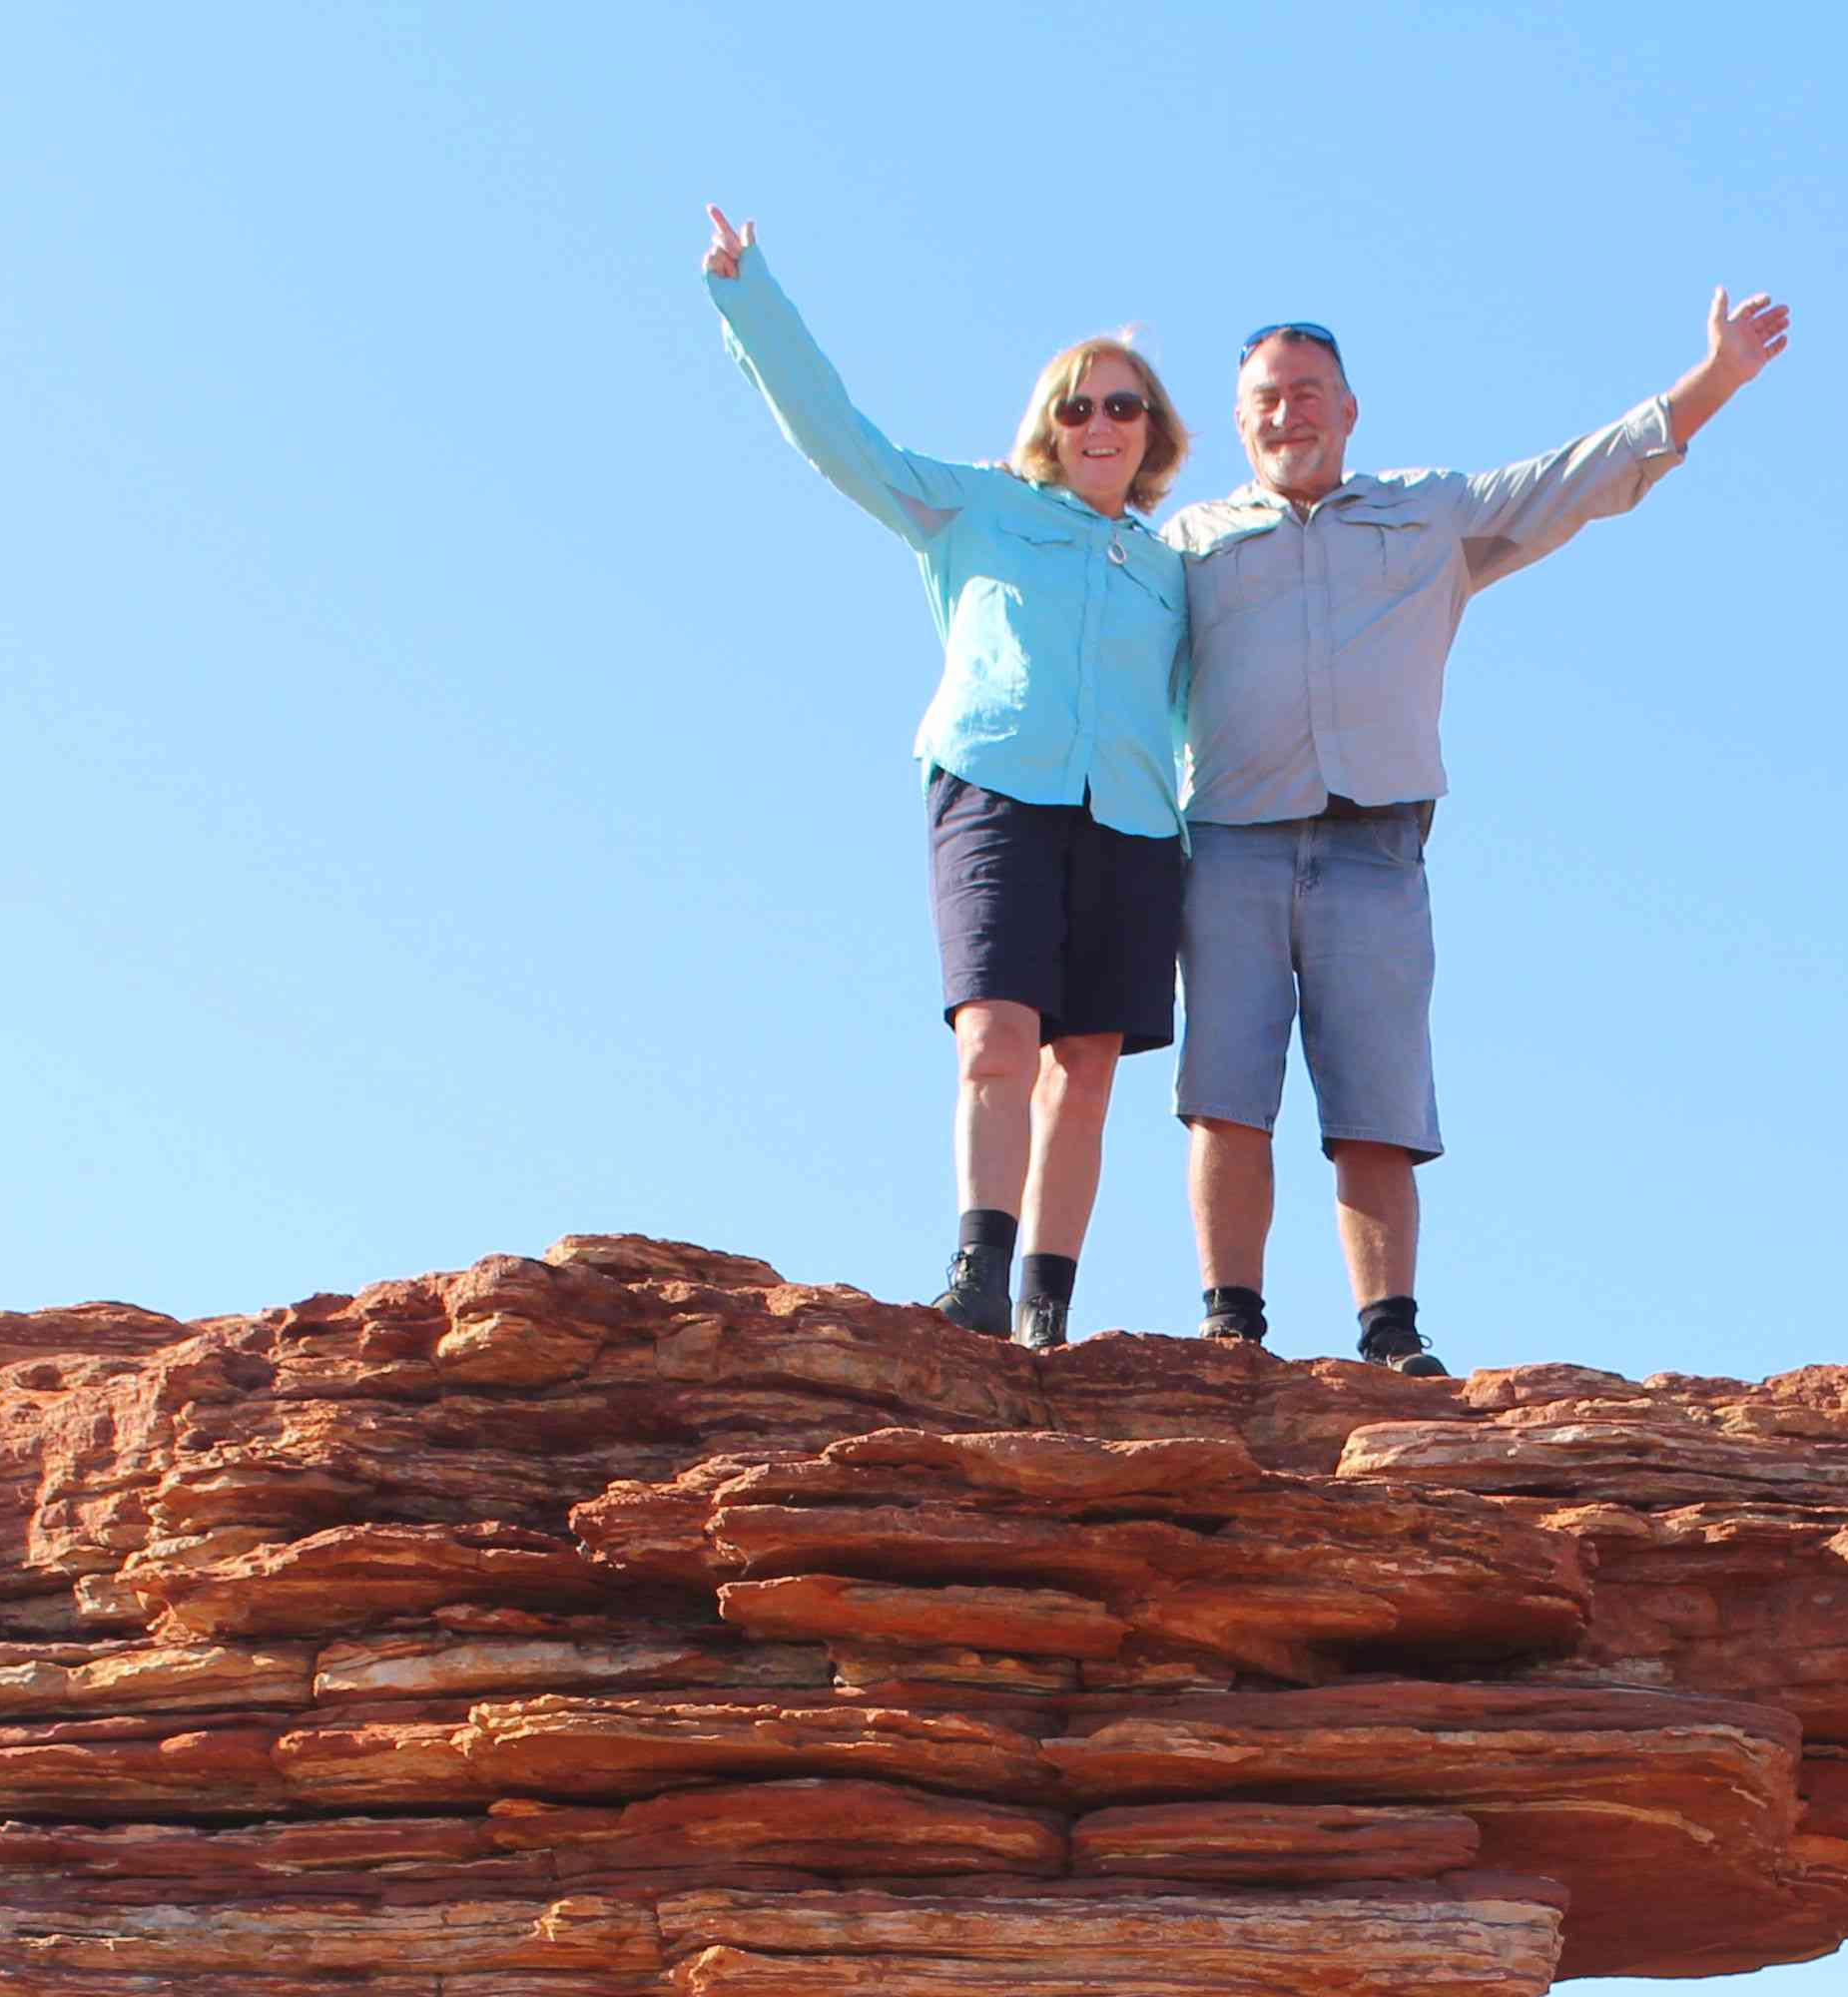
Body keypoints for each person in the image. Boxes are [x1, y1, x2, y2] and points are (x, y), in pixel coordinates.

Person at [1158, 290, 1792, 1375]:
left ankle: (1389, 1334)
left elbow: (1575, 480)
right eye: (1266, 398)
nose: (1287, 413)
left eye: (1308, 392)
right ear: (1238, 421)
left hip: (1375, 850)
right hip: (1229, 846)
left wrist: (1716, 380)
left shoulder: (1427, 515)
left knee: (1376, 1101)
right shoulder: (1186, 546)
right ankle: (1231, 1326)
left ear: (1350, 409)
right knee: (1225, 1094)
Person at [703, 208, 1189, 1348]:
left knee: (1089, 1071)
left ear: (1153, 428)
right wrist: (749, 297)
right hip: (996, 789)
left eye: (1123, 404)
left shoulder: (1176, 570)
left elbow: (1211, 704)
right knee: (997, 1041)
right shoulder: (976, 507)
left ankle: (1044, 1311)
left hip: (1129, 823)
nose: (1100, 423)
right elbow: (841, 440)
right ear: (1049, 427)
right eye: (1078, 405)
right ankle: (977, 1270)